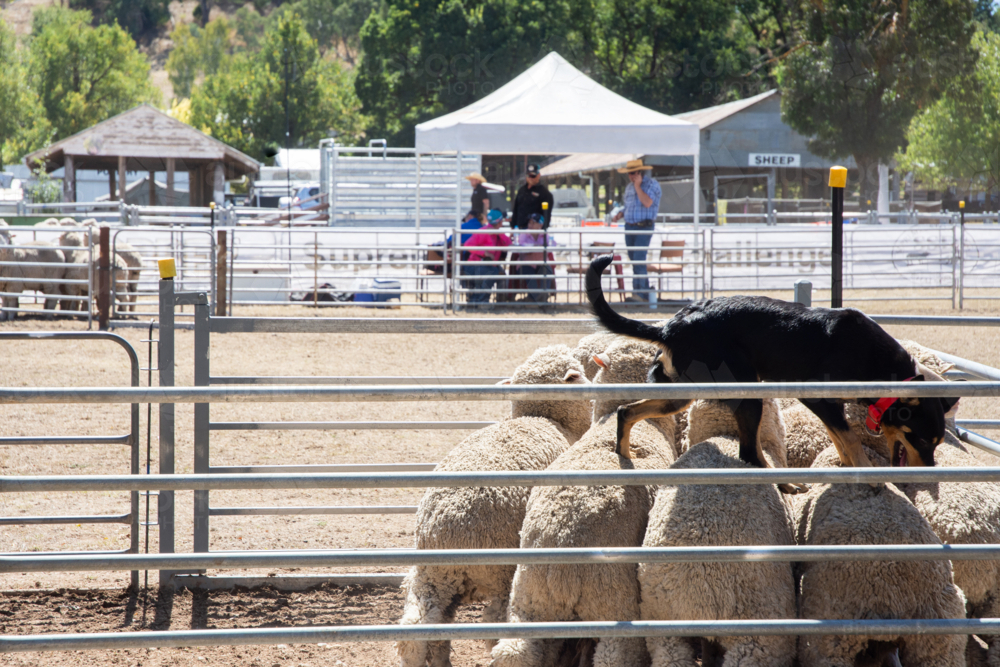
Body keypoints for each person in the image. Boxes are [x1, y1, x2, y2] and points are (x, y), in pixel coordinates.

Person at [613, 159, 662, 302]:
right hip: (629, 226)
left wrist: (638, 186)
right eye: (629, 173)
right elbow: (629, 206)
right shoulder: (629, 188)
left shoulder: (652, 185)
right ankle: (642, 293)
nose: (631, 176)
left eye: (633, 173)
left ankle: (640, 294)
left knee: (639, 259)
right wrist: (620, 214)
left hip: (644, 226)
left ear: (640, 172)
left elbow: (647, 203)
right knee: (635, 260)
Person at [463, 210, 511, 304]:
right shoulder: (483, 232)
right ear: (500, 222)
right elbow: (467, 245)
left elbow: (508, 245)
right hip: (475, 265)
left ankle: (496, 302)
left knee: (499, 274)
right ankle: (480, 301)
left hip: (487, 265)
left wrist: (500, 235)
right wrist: (484, 253)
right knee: (493, 272)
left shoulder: (497, 234)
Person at [514, 213, 558, 303]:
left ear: (540, 225)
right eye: (529, 223)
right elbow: (522, 247)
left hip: (541, 262)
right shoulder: (524, 234)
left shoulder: (545, 235)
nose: (530, 225)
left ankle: (538, 297)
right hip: (526, 263)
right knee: (529, 273)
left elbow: (552, 245)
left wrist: (535, 247)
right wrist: (537, 246)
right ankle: (539, 298)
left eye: (533, 223)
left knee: (548, 271)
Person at [511, 163, 553, 230]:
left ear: (538, 175)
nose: (530, 178)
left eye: (533, 175)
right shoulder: (521, 190)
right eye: (528, 175)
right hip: (520, 230)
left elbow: (546, 215)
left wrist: (542, 233)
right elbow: (516, 210)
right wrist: (512, 227)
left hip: (535, 232)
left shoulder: (544, 193)